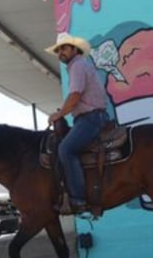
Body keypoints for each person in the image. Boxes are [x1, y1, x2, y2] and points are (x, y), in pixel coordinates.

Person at [46, 32, 110, 213]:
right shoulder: (78, 66)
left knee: (65, 149)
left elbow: (75, 95)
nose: (61, 53)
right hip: (90, 117)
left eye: (64, 48)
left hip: (90, 119)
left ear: (75, 49)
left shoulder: (77, 65)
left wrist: (58, 115)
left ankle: (78, 199)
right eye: (58, 50)